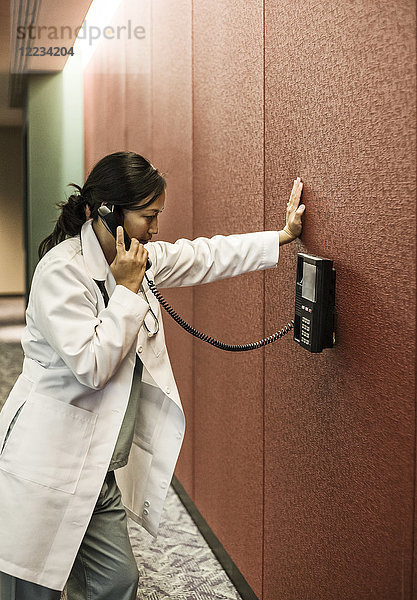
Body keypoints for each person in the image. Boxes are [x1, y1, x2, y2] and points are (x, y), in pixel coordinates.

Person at [0, 151, 305, 600]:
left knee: (117, 582)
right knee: (29, 589)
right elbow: (92, 367)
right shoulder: (61, 273)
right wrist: (125, 291)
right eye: (148, 216)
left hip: (96, 469)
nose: (156, 229)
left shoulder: (136, 261)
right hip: (45, 462)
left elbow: (203, 255)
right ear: (106, 212)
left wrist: (281, 237)